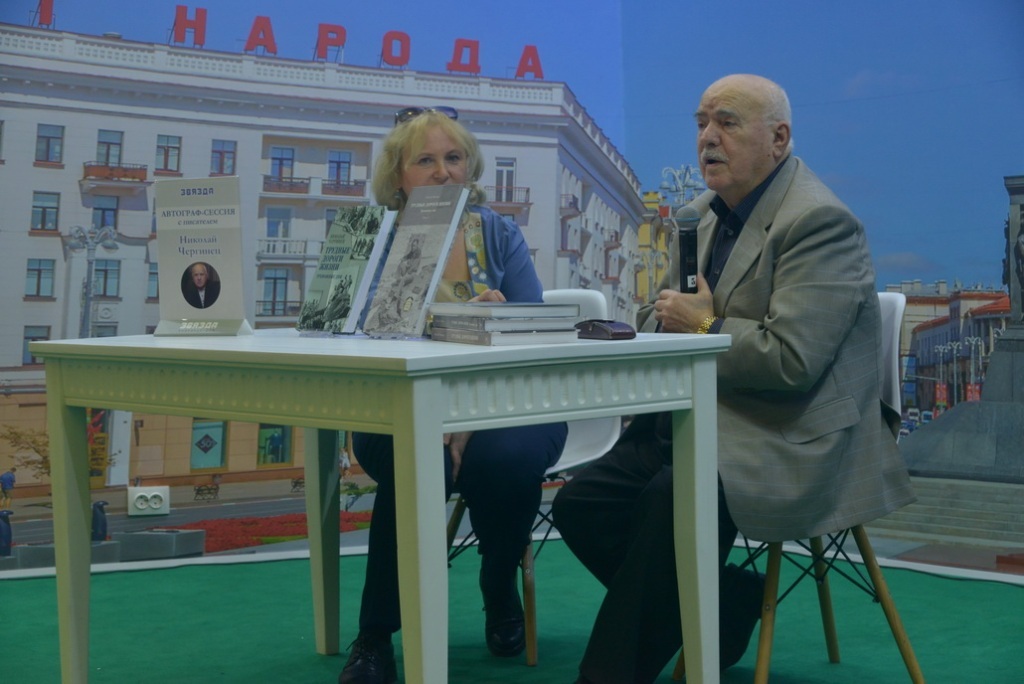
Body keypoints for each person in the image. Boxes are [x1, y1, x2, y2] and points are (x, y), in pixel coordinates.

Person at [551, 74, 916, 684]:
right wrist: (670, 319)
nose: (707, 138)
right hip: (699, 419)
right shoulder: (697, 216)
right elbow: (661, 313)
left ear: (779, 139)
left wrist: (703, 325)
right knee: (582, 505)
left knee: (671, 501)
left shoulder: (821, 222)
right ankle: (726, 607)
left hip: (790, 433)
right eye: (701, 123)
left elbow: (791, 361)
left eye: (726, 122)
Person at [338, 106, 568, 684]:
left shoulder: (498, 232)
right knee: (419, 455)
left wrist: (467, 412)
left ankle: (498, 583)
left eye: (454, 158)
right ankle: (374, 636)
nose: (443, 172)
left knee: (508, 456)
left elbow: (532, 336)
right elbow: (358, 336)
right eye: (426, 160)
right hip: (397, 404)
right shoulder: (370, 236)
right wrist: (439, 413)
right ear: (398, 176)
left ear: (470, 167)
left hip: (503, 401)